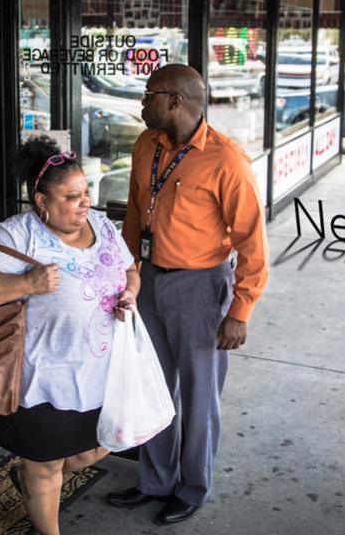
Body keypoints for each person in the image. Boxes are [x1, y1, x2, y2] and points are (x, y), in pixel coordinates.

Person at [108, 64, 269, 525]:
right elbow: (137, 211)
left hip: (201, 287)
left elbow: (252, 243)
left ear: (174, 101)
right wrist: (126, 273)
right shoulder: (146, 144)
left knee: (199, 395)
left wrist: (240, 310)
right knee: (153, 388)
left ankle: (192, 486)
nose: (141, 103)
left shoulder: (227, 160)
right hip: (149, 281)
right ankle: (155, 480)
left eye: (148, 95)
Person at [0, 136, 140, 535]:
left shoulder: (104, 227)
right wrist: (28, 284)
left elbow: (131, 270)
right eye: (72, 197)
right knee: (46, 467)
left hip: (103, 375)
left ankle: (31, 483)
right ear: (42, 201)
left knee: (101, 445)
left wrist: (129, 293)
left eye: (86, 192)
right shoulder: (17, 235)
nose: (85, 202)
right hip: (42, 379)